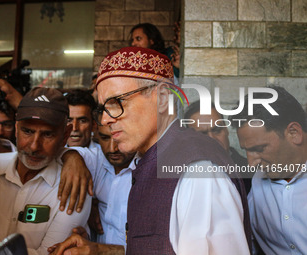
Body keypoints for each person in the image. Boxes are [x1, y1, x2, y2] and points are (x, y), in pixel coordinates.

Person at [50, 47, 251, 255]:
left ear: (162, 98)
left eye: (117, 102)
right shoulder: (147, 161)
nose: (105, 120)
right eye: (103, 108)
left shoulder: (198, 172)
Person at [0, 87, 92, 254]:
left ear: (65, 135)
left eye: (47, 135)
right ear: (17, 128)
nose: (34, 146)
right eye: (27, 131)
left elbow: (50, 254)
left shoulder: (74, 186)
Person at [232, 86, 307, 255]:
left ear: (294, 133)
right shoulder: (259, 180)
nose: (251, 164)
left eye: (260, 148)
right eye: (246, 150)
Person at [184, 101, 251, 193]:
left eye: (217, 130)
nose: (212, 139)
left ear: (226, 130)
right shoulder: (182, 178)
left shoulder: (252, 172)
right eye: (203, 135)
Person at [89, 124, 135, 247]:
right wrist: (72, 158)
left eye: (119, 138)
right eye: (104, 138)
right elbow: (66, 153)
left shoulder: (151, 172)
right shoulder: (96, 159)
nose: (112, 148)